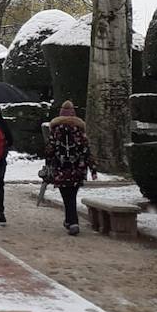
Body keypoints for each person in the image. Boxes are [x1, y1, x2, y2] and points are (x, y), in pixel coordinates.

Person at [45, 100, 97, 235]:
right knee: (72, 194)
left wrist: (48, 165)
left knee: (66, 195)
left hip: (61, 168)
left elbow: (50, 150)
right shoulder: (79, 130)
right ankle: (70, 221)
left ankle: (72, 221)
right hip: (77, 168)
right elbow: (86, 150)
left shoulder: (56, 130)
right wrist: (93, 169)